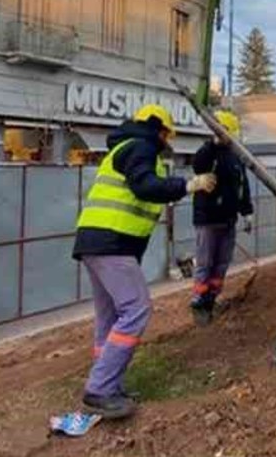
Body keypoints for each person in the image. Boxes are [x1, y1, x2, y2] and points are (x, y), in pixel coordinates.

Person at [73, 104, 216, 419]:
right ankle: (99, 389)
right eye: (167, 133)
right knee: (137, 308)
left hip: (97, 243)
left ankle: (108, 383)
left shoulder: (125, 147)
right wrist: (188, 185)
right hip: (112, 244)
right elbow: (145, 186)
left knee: (109, 319)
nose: (168, 140)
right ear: (158, 129)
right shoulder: (142, 146)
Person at [189, 110, 253, 325]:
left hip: (228, 219)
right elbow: (198, 165)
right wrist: (212, 144)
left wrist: (247, 212)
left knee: (222, 263)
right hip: (207, 218)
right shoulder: (208, 153)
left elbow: (243, 187)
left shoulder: (236, 158)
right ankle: (199, 301)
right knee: (205, 262)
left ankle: (211, 298)